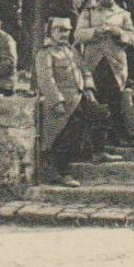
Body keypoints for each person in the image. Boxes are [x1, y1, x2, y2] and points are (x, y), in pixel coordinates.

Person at [35, 17, 114, 186]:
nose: (63, 34)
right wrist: (57, 102)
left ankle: (98, 151)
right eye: (59, 30)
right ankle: (64, 173)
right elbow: (46, 80)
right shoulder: (45, 53)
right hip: (62, 102)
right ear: (51, 32)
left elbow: (85, 71)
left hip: (80, 97)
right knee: (66, 134)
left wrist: (90, 91)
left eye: (66, 30)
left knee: (102, 114)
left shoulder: (72, 50)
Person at [75, 0, 134, 144]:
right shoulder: (88, 12)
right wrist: (95, 32)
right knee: (96, 100)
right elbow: (78, 34)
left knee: (115, 99)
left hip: (115, 64)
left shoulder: (123, 14)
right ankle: (95, 141)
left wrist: (121, 34)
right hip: (93, 63)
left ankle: (118, 136)